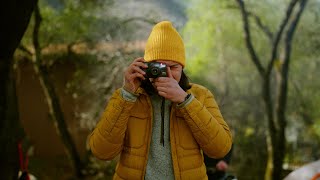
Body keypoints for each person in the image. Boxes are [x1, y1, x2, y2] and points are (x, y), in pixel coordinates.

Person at [89, 20, 232, 180]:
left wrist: (185, 101)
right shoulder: (127, 96)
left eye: (173, 67)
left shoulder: (201, 95)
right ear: (146, 66)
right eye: (159, 67)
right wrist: (127, 94)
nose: (166, 74)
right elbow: (101, 151)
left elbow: (221, 148)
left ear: (182, 68)